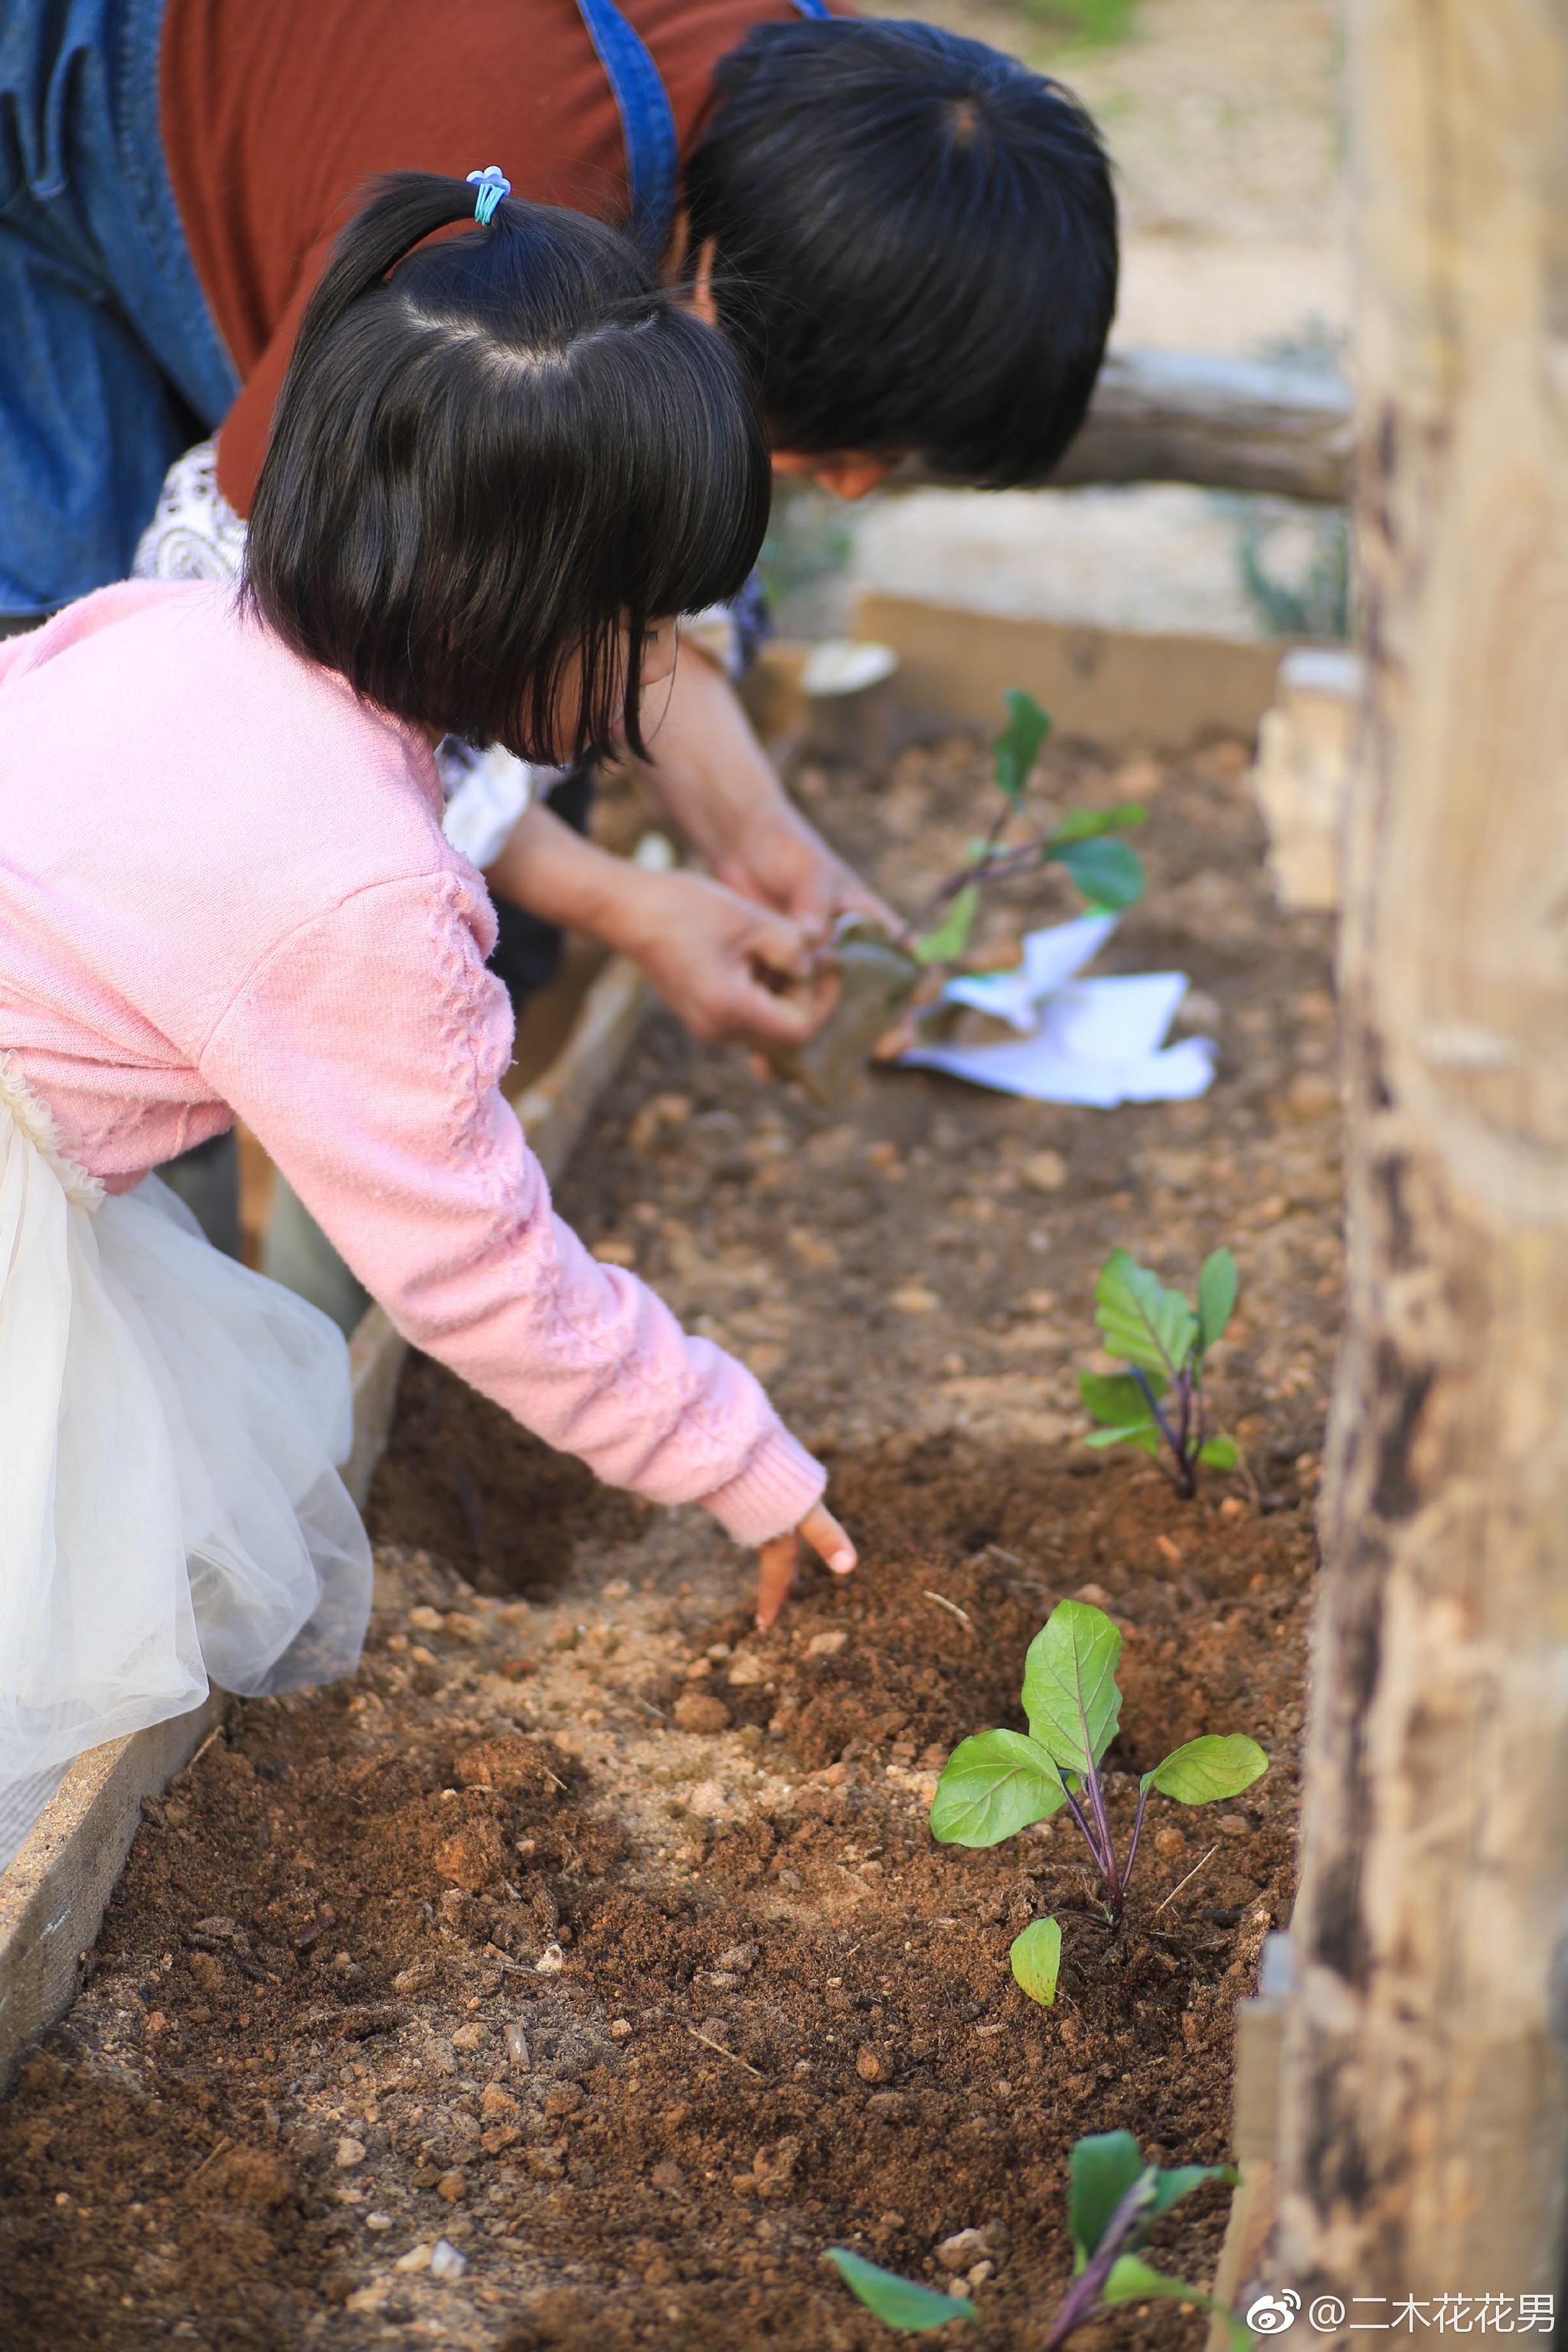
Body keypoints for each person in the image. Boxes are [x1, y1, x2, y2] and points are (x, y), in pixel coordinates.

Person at [0, 172, 854, 1870]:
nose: (654, 669)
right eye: (641, 624)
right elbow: (477, 1266)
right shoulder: (363, 900)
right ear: (514, 618)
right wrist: (729, 1446)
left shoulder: (175, 625)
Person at [1, 0, 1119, 1044]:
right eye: (838, 453)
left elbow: (627, 542)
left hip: (298, 106)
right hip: (58, 82)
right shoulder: (485, 256)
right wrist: (621, 905)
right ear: (718, 300)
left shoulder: (846, 135)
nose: (857, 488)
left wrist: (748, 827)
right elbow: (259, 677)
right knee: (112, 848)